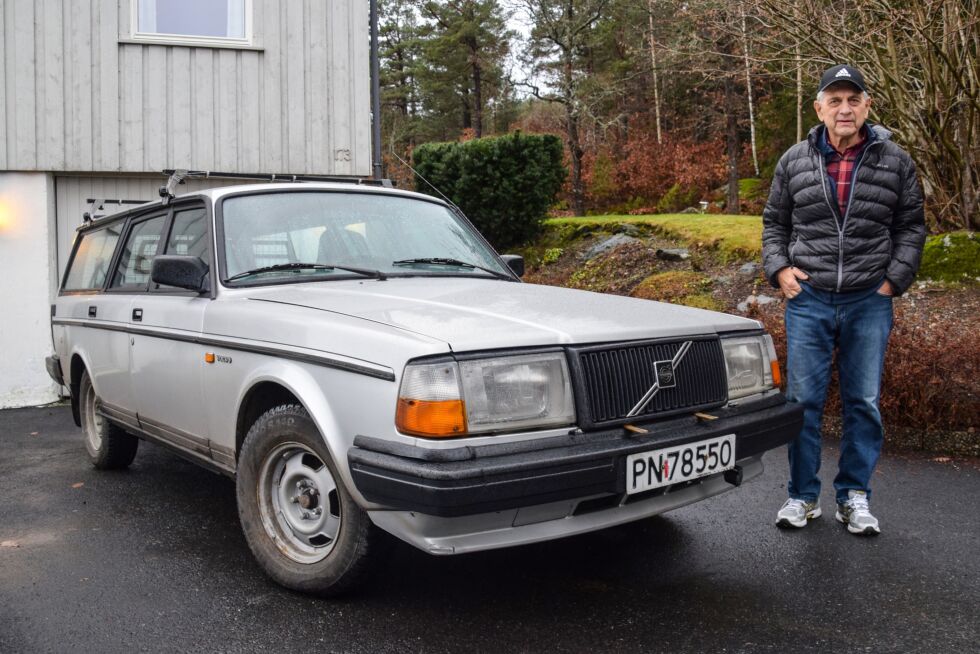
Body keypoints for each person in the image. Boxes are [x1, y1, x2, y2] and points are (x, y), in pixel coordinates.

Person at [762, 64, 926, 536]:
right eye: (834, 100)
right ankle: (802, 496)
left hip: (868, 300)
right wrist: (779, 269)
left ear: (867, 105)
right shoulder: (794, 160)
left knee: (863, 403)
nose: (844, 108)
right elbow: (775, 222)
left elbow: (910, 227)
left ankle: (854, 496)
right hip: (808, 299)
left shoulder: (894, 160)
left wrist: (893, 281)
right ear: (819, 108)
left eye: (853, 99)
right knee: (802, 402)